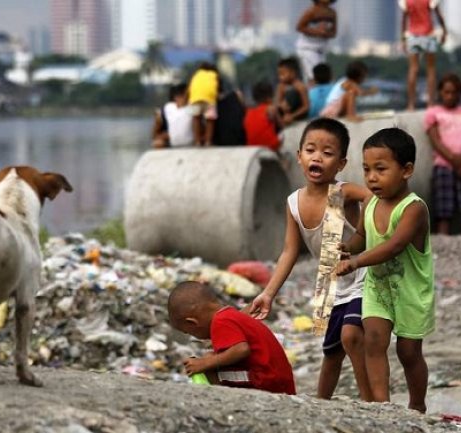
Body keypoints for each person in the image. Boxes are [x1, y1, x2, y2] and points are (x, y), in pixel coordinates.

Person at [249, 118, 372, 402]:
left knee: (352, 337)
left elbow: (376, 198)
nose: (318, 157)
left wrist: (363, 233)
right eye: (310, 150)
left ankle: (372, 404)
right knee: (331, 352)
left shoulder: (342, 193)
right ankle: (320, 404)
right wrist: (268, 294)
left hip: (364, 279)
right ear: (299, 157)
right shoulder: (293, 202)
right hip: (329, 287)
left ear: (340, 164)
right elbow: (290, 251)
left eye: (328, 153)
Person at [335, 127, 435, 412]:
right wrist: (347, 248)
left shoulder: (413, 208)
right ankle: (383, 406)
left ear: (406, 170)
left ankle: (417, 406)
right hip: (377, 288)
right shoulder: (371, 204)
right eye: (366, 169)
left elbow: (392, 246)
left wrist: (356, 261)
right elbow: (362, 238)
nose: (371, 177)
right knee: (374, 341)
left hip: (411, 292)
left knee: (408, 352)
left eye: (381, 169)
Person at [168, 281, 296, 395]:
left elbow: (241, 349)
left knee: (209, 368)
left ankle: (222, 401)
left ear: (193, 322)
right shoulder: (230, 315)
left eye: (189, 332)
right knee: (211, 359)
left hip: (267, 381)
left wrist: (204, 363)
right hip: (279, 379)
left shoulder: (220, 321)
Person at [425, 73, 461, 235]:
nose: (450, 96)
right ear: (440, 93)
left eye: (454, 92)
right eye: (446, 92)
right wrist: (453, 159)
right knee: (444, 210)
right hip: (444, 165)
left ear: (460, 93)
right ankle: (444, 243)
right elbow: (435, 140)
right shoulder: (433, 112)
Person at [399, 0, 447, 110]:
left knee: (413, 69)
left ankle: (411, 104)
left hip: (412, 36)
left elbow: (404, 20)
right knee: (430, 70)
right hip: (428, 34)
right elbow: (439, 16)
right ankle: (430, 103)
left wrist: (403, 38)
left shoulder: (406, 1)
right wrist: (444, 31)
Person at [295, 0, 337, 84]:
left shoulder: (332, 13)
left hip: (321, 50)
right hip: (308, 49)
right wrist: (317, 32)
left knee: (323, 78)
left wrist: (326, 33)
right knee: (313, 77)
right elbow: (299, 27)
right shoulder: (311, 12)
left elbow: (334, 33)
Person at [151, 83, 193, 149]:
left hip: (191, 142)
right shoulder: (168, 108)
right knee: (158, 142)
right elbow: (155, 135)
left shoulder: (192, 107)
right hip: (173, 141)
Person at [244, 81, 282, 152]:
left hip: (252, 148)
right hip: (270, 147)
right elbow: (282, 126)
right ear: (269, 97)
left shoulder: (248, 112)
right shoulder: (270, 108)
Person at [188, 62, 220, 146]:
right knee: (210, 120)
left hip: (195, 99)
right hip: (209, 99)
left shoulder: (196, 75)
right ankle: (208, 141)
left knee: (196, 119)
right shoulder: (214, 75)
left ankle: (197, 141)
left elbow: (190, 88)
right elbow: (216, 88)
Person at [276, 57, 310, 126]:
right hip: (286, 119)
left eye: (283, 74)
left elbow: (306, 107)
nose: (280, 77)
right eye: (279, 74)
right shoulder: (281, 87)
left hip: (299, 119)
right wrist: (281, 106)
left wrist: (292, 116)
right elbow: (278, 103)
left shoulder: (300, 87)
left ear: (292, 73)